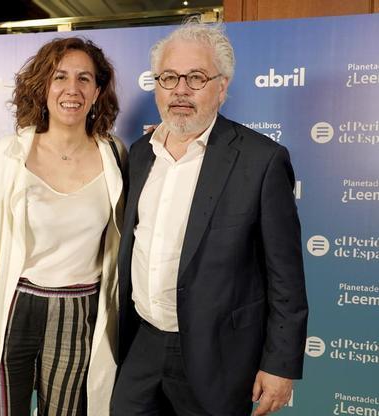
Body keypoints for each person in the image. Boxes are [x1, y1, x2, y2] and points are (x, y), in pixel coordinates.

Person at [111, 21, 308, 416]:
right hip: (141, 346)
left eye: (196, 77)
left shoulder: (262, 161)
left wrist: (280, 365)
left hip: (219, 357)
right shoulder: (140, 154)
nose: (180, 90)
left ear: (222, 87)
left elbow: (285, 277)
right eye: (169, 77)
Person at [0, 37, 125, 416]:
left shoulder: (115, 155)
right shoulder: (9, 155)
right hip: (13, 307)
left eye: (84, 78)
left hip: (80, 311)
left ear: (97, 91)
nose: (71, 89)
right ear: (43, 86)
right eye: (59, 77)